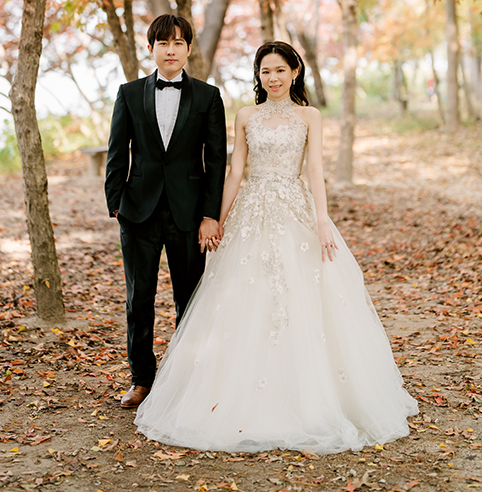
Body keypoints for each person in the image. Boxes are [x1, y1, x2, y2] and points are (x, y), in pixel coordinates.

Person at [134, 41, 418, 453]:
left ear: (295, 72)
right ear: (258, 76)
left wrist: (323, 222)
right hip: (251, 211)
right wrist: (218, 219)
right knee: (245, 296)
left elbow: (316, 169)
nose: (273, 78)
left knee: (299, 296)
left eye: (280, 70)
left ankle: (309, 398)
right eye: (266, 71)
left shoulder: (310, 116)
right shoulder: (247, 115)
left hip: (294, 209)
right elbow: (235, 172)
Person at [104, 14, 227, 409]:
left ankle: (187, 378)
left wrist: (211, 214)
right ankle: (142, 379)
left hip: (189, 214)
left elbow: (217, 161)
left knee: (189, 300)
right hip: (137, 212)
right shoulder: (129, 93)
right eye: (163, 43)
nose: (170, 50)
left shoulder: (209, 97)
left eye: (178, 43)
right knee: (138, 299)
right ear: (151, 48)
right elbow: (116, 151)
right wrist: (116, 204)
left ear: (189, 48)